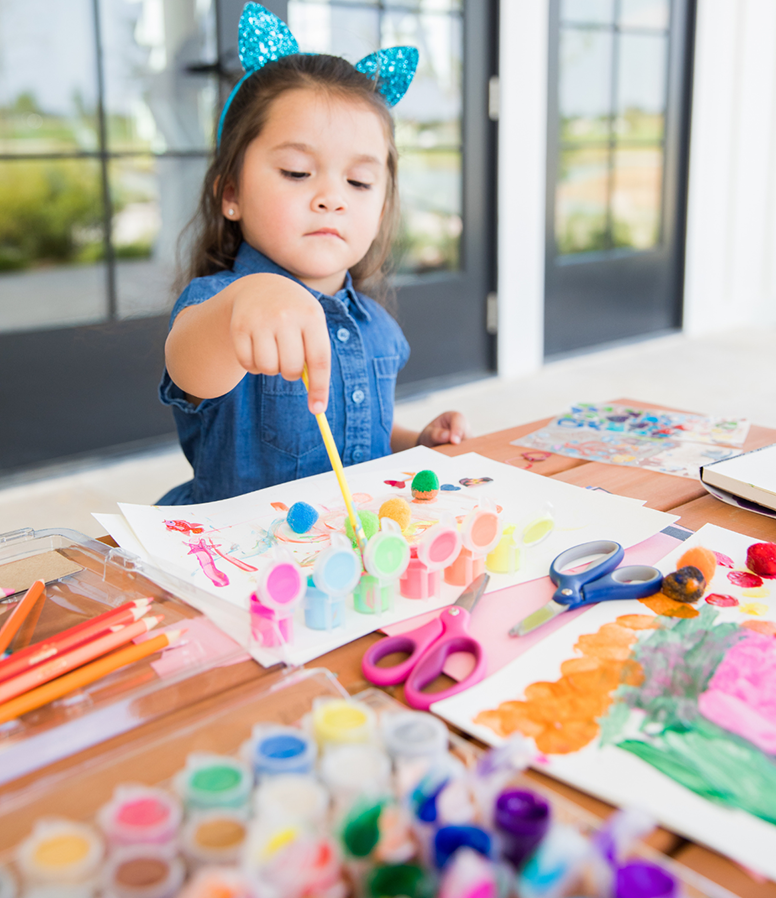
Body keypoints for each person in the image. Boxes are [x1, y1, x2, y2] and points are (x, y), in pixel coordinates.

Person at [158, 4, 470, 505]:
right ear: (231, 193)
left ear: (383, 202)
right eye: (298, 172)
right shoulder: (219, 303)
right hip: (237, 566)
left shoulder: (377, 325)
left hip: (342, 559)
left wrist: (416, 443)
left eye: (360, 180)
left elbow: (360, 440)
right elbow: (189, 365)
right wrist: (243, 305)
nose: (332, 197)